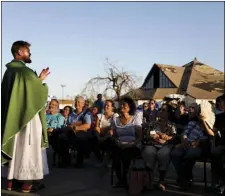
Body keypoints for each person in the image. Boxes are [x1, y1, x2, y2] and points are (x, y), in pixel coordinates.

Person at [1, 41, 50, 193]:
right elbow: (37, 93)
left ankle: (11, 182)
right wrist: (41, 82)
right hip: (28, 120)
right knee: (28, 149)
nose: (30, 54)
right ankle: (27, 184)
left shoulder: (9, 72)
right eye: (28, 51)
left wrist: (37, 80)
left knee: (16, 148)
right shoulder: (25, 72)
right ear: (21, 51)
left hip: (13, 119)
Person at [171, 103, 208, 189]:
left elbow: (204, 139)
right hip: (186, 144)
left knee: (190, 154)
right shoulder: (192, 122)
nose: (199, 116)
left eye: (193, 108)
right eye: (190, 107)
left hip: (196, 147)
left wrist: (195, 143)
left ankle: (184, 179)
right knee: (174, 153)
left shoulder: (207, 125)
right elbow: (185, 133)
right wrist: (184, 140)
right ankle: (185, 177)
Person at [142, 104, 177, 191]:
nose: (161, 112)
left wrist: (167, 138)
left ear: (168, 113)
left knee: (163, 154)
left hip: (165, 145)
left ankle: (161, 181)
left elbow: (175, 137)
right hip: (153, 144)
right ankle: (150, 180)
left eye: (164, 110)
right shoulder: (153, 123)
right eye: (160, 110)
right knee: (149, 152)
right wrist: (152, 136)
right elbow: (147, 134)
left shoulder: (171, 125)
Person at [111, 97, 142, 188]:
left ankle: (124, 179)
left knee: (126, 157)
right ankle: (120, 179)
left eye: (124, 105)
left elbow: (140, 136)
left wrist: (132, 144)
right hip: (119, 144)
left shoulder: (134, 119)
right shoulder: (116, 119)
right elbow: (113, 135)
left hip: (132, 145)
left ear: (129, 107)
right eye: (121, 104)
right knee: (116, 157)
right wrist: (117, 141)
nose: (121, 106)